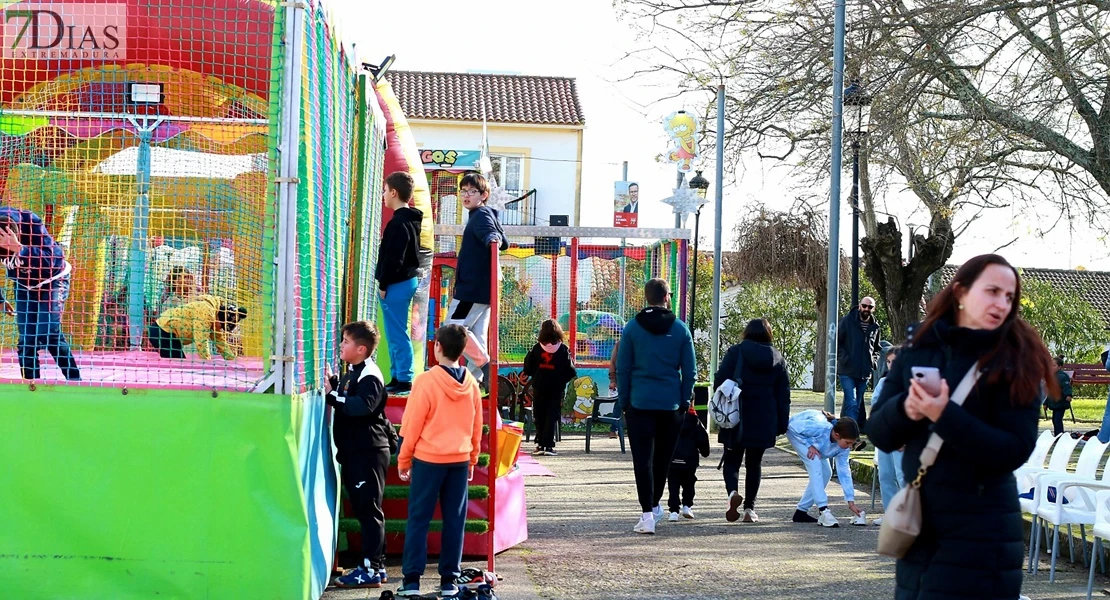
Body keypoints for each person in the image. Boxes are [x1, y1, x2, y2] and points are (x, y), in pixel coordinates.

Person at [868, 254, 1057, 599]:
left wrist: (944, 414)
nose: (1002, 303)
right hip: (919, 529)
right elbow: (878, 433)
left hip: (982, 533)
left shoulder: (1016, 360)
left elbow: (1013, 449)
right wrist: (907, 408)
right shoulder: (919, 349)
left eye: (1009, 297)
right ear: (960, 292)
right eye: (993, 291)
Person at [396, 324, 483, 599]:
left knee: (419, 518)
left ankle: (411, 581)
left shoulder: (425, 381)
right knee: (455, 520)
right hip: (458, 460)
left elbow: (412, 424)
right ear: (463, 352)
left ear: (437, 348)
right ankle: (449, 580)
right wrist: (472, 459)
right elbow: (476, 425)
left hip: (428, 459)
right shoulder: (471, 383)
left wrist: (404, 459)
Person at [617, 278, 696, 535]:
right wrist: (684, 400)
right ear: (667, 297)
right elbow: (690, 371)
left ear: (646, 297)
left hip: (639, 402)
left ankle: (647, 514)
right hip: (670, 404)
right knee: (662, 460)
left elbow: (623, 368)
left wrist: (624, 401)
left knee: (642, 460)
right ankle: (655, 503)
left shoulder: (631, 329)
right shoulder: (681, 329)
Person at [326, 321, 391, 589]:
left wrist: (331, 396)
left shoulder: (371, 375)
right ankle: (376, 565)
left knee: (369, 510)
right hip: (356, 452)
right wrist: (333, 384)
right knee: (365, 509)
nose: (341, 345)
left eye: (346, 341)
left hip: (369, 452)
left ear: (361, 349)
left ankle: (371, 568)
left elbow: (362, 406)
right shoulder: (354, 371)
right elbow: (346, 394)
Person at [713, 318, 791, 523]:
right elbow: (783, 395)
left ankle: (732, 493)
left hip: (736, 415)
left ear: (746, 333)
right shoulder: (778, 359)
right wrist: (782, 423)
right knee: (754, 463)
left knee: (732, 460)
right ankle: (749, 509)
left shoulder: (736, 352)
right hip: (765, 417)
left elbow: (719, 381)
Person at [0, 208, 80, 380]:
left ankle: (74, 380)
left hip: (52, 281)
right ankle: (31, 383)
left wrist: (19, 248)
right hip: (24, 285)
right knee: (26, 340)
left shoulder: (31, 222)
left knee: (48, 332)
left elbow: (54, 259)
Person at [444, 172, 508, 385]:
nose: (466, 195)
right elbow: (501, 238)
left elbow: (493, 234)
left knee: (452, 328)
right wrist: (496, 238)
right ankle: (473, 382)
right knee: (477, 335)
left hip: (471, 290)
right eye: (463, 191)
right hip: (483, 288)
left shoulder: (480, 215)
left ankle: (484, 366)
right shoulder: (484, 214)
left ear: (484, 195)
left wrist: (493, 239)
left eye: (472, 191)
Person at [376, 171, 424, 394]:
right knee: (395, 330)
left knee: (396, 332)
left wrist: (384, 284)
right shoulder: (410, 220)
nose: (383, 195)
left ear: (394, 192)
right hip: (405, 281)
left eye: (385, 190)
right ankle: (398, 375)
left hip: (397, 283)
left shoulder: (397, 223)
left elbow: (393, 258)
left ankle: (404, 377)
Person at [786, 409, 862, 527]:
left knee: (827, 472)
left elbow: (844, 472)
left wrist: (850, 501)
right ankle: (823, 510)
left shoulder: (844, 448)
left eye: (851, 443)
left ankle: (801, 511)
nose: (849, 446)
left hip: (812, 439)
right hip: (797, 433)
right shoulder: (820, 427)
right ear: (837, 435)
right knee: (815, 463)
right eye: (847, 442)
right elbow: (792, 426)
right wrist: (808, 445)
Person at [522, 319, 577, 456]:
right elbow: (571, 371)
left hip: (539, 386)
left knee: (540, 414)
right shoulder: (563, 349)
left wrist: (535, 374)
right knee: (552, 415)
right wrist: (561, 380)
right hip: (556, 388)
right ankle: (549, 446)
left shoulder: (536, 348)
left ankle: (540, 444)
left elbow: (527, 369)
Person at [148, 295, 246, 360]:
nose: (220, 329)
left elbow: (219, 341)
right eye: (222, 326)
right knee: (178, 365)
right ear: (220, 319)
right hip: (162, 332)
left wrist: (232, 360)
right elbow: (201, 341)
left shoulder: (213, 318)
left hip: (168, 335)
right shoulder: (206, 313)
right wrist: (206, 362)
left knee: (177, 363)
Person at [870, 345, 904, 526]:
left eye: (895, 362)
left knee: (903, 476)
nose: (891, 366)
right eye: (888, 362)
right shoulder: (883, 384)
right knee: (885, 475)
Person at [837, 296, 881, 423]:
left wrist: (873, 361)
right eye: (864, 306)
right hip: (847, 370)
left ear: (873, 309)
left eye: (870, 307)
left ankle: (844, 428)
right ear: (860, 306)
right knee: (852, 402)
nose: (866, 309)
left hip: (865, 372)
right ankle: (852, 436)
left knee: (856, 402)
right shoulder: (847, 321)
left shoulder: (875, 327)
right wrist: (844, 358)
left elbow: (877, 347)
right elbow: (836, 342)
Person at [667, 406, 710, 521]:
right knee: (689, 483)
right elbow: (703, 441)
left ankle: (674, 511)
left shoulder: (669, 419)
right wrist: (705, 452)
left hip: (671, 458)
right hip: (690, 459)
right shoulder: (695, 422)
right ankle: (687, 505)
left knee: (673, 485)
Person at [1045, 355, 1073, 436]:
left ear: (1060, 367)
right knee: (1055, 420)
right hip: (1054, 402)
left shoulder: (1062, 377)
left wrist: (1068, 395)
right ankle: (1057, 435)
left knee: (1057, 420)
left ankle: (1059, 435)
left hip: (1061, 402)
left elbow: (1066, 387)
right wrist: (1046, 403)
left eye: (1054, 366)